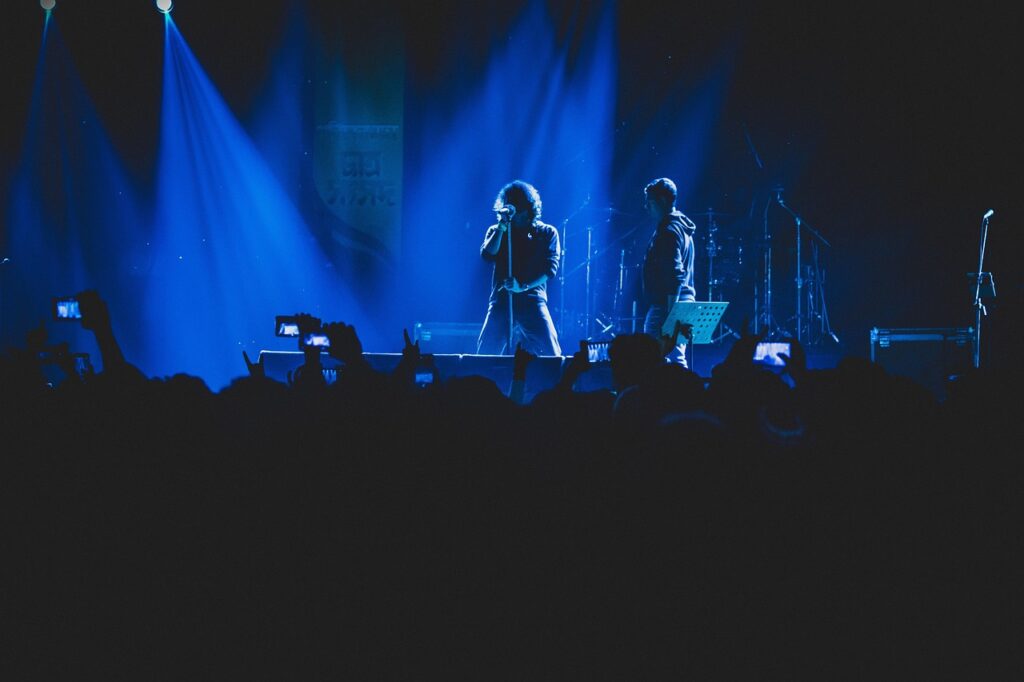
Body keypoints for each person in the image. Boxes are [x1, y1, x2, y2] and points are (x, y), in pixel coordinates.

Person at [477, 180, 562, 356]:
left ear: (526, 210)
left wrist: (521, 286)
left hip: (532, 300)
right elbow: (487, 255)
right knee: (485, 353)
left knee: (552, 352)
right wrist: (501, 228)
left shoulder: (546, 233)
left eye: (516, 208)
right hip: (502, 301)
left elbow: (549, 270)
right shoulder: (497, 230)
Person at [641, 177, 697, 366]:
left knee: (652, 359)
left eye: (649, 202)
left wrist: (671, 316)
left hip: (666, 306)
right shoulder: (682, 228)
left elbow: (674, 276)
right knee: (675, 358)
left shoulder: (668, 232)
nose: (646, 207)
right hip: (684, 303)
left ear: (663, 201)